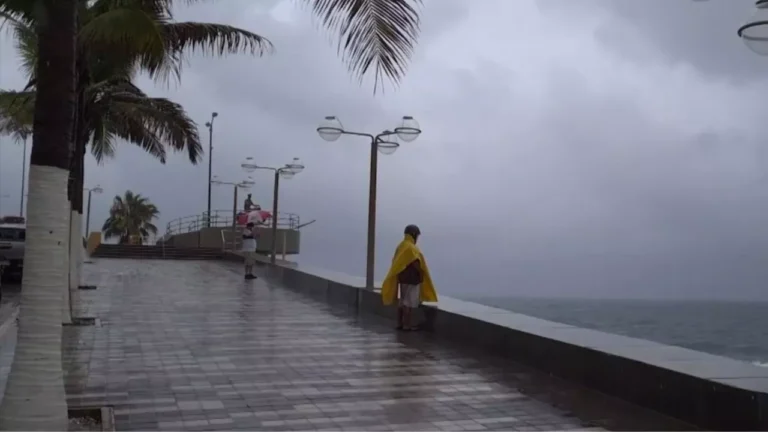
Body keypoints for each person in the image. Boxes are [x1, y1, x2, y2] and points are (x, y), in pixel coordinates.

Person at [381, 224, 438, 331]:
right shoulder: (411, 248)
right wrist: (421, 273)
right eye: (417, 236)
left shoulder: (401, 246)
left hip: (402, 278)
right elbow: (415, 262)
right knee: (409, 303)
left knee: (402, 302)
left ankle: (399, 324)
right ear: (414, 235)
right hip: (412, 280)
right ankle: (407, 325)